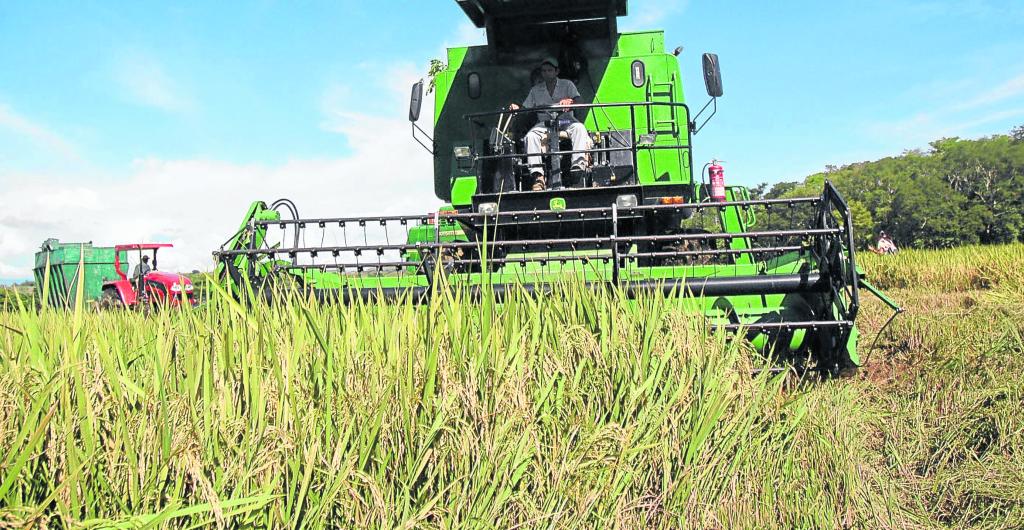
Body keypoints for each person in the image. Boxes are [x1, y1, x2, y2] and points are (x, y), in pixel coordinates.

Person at [509, 58, 593, 191]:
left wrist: (570, 101)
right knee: (530, 136)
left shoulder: (567, 85)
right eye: (544, 71)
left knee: (580, 128)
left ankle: (578, 166)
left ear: (556, 71)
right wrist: (517, 108)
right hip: (545, 124)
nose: (546, 73)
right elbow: (525, 108)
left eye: (549, 70)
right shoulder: (535, 90)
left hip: (566, 121)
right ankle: (538, 176)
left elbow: (579, 101)